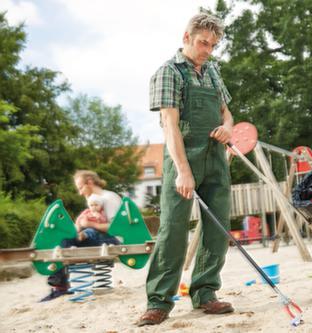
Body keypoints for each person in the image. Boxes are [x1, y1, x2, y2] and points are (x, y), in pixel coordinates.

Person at [138, 13, 234, 326]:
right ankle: (159, 301)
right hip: (182, 157)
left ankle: (205, 293)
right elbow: (169, 124)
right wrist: (183, 170)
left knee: (217, 228)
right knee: (173, 230)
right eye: (203, 42)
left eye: (213, 45)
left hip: (215, 157)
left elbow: (227, 114)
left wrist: (228, 129)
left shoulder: (212, 72)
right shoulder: (169, 72)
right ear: (187, 37)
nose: (207, 49)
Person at [40, 170, 122, 302]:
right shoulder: (93, 202)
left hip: (110, 239)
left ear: (89, 181)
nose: (80, 193)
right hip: (95, 236)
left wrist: (89, 224)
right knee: (61, 236)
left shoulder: (109, 197)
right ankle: (60, 284)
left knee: (66, 238)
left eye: (80, 188)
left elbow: (115, 228)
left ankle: (60, 285)